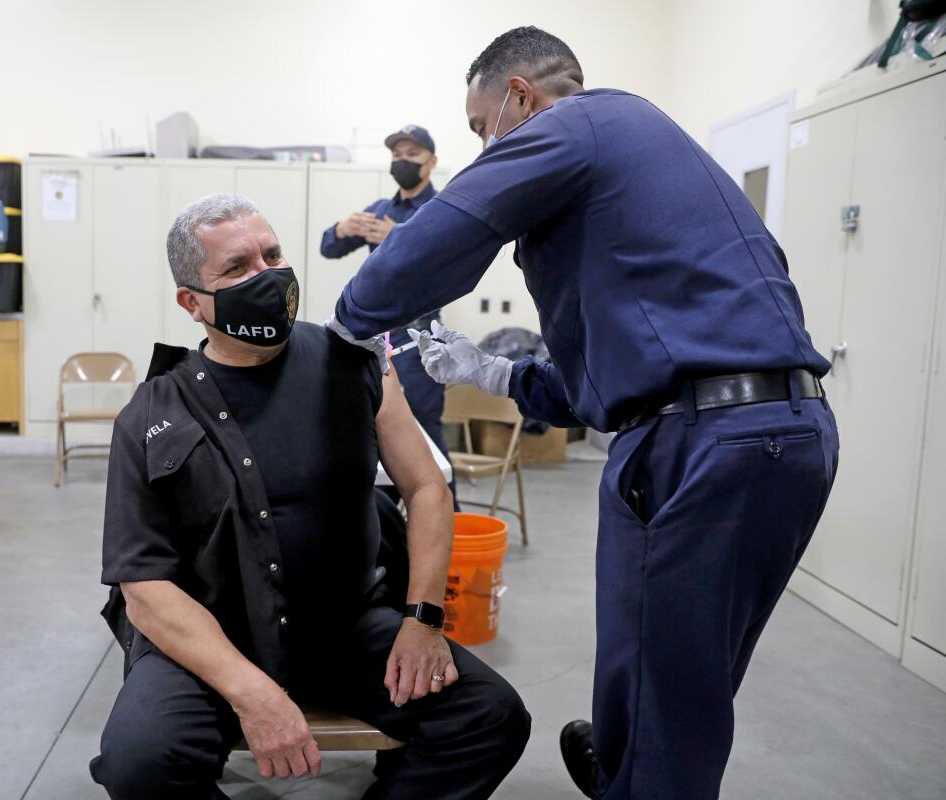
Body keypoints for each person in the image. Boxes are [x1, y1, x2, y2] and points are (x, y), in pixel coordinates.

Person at [327, 26, 840, 800]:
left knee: (673, 694)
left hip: (708, 441)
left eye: (480, 127)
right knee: (669, 666)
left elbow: (459, 224)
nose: (484, 146)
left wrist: (347, 324)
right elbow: (622, 367)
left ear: (520, 97)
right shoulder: (640, 160)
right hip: (769, 430)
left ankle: (641, 775)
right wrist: (500, 372)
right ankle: (622, 768)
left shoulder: (579, 121)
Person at [91, 193, 530, 800]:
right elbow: (144, 590)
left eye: (272, 254)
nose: (266, 275)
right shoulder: (154, 412)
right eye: (237, 268)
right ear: (191, 302)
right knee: (140, 761)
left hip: (343, 625)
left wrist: (423, 618)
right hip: (211, 641)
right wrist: (252, 692)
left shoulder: (355, 364)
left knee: (488, 717)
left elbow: (427, 485)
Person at [319, 125, 455, 503]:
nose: (403, 161)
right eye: (397, 154)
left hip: (420, 344)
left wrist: (402, 237)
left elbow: (448, 265)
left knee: (427, 433)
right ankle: (385, 522)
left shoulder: (443, 209)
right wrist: (341, 228)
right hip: (375, 342)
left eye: (412, 154)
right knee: (372, 430)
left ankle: (451, 526)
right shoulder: (380, 210)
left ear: (432, 161)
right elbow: (328, 248)